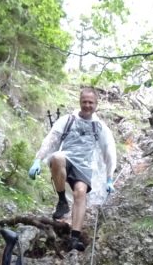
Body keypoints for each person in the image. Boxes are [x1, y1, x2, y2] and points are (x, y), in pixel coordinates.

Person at [28, 86, 117, 251]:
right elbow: (52, 139)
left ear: (96, 104)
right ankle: (62, 201)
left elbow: (109, 153)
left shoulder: (100, 127)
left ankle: (74, 238)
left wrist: (109, 178)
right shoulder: (67, 120)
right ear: (80, 102)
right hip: (66, 159)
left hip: (84, 166)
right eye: (84, 102)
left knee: (81, 193)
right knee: (57, 157)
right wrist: (37, 160)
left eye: (91, 102)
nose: (87, 105)